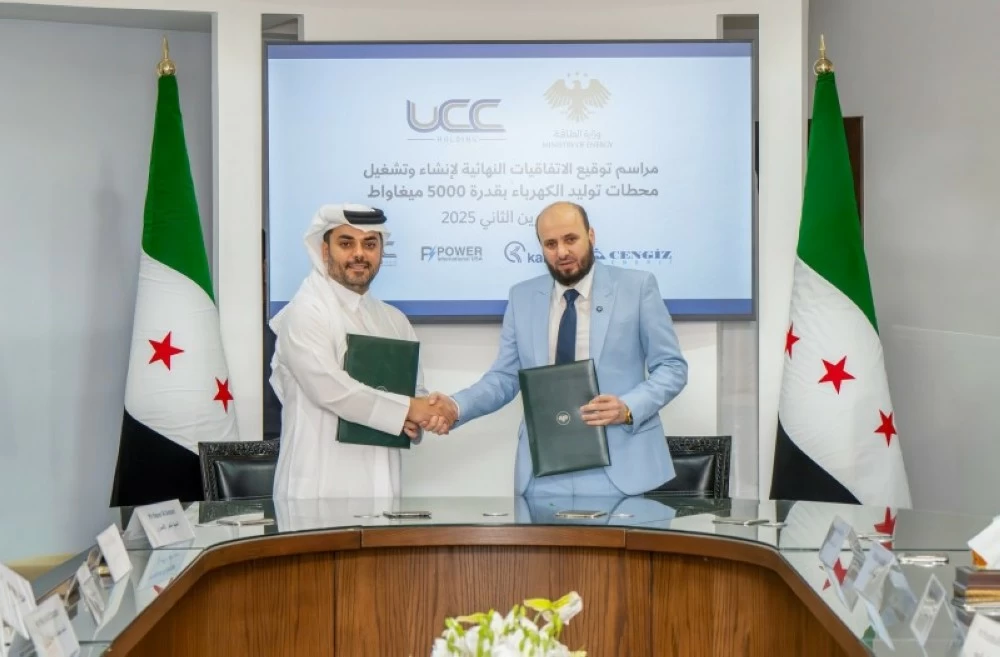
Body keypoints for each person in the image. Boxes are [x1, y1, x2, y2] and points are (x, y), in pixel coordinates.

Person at [426, 201, 688, 496]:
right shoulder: (522, 297)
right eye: (550, 244)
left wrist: (628, 407)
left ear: (591, 236)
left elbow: (672, 367)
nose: (562, 252)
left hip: (622, 469)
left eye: (570, 239)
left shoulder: (637, 287)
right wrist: (455, 406)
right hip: (543, 473)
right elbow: (505, 377)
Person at [269, 203, 455, 499]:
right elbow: (330, 389)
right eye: (346, 244)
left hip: (383, 486)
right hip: (318, 488)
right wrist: (411, 409)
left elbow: (414, 392)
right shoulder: (306, 312)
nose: (359, 254)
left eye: (369, 244)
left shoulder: (395, 320)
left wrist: (422, 419)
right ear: (325, 251)